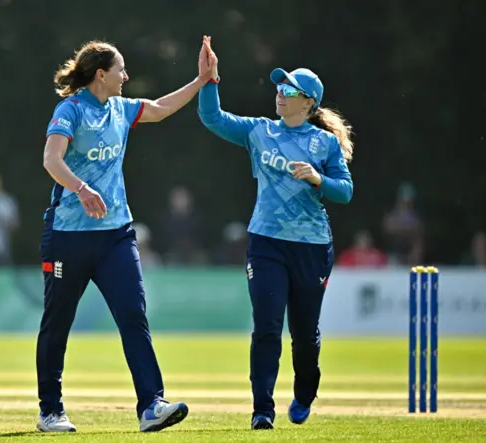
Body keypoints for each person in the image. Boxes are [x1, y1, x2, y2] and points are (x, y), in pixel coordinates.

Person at [36, 37, 216, 433]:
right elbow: (52, 159)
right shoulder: (70, 110)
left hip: (116, 235)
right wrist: (82, 189)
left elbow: (163, 107)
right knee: (58, 322)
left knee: (134, 316)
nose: (126, 76)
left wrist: (202, 79)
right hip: (68, 236)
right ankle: (50, 410)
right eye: (120, 70)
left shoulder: (121, 109)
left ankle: (152, 406)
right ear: (101, 75)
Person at [198, 37, 354, 430]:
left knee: (304, 337)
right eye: (278, 88)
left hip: (312, 248)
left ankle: (304, 394)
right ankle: (262, 409)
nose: (279, 95)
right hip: (266, 243)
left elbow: (346, 191)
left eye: (288, 90)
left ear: (308, 102)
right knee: (266, 327)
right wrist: (209, 80)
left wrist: (319, 178)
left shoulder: (325, 143)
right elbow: (212, 119)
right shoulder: (259, 131)